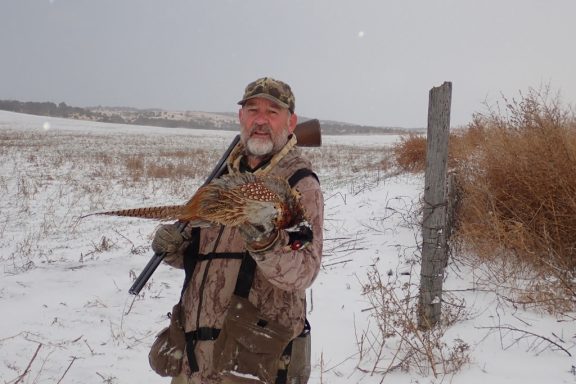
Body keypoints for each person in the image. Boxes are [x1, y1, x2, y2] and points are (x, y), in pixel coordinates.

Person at [151, 77, 324, 384]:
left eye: (272, 112)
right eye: (252, 110)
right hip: (195, 358)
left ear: (291, 121)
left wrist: (267, 243)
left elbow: (304, 271)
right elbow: (205, 253)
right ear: (240, 117)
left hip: (249, 365)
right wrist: (177, 247)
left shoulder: (299, 185)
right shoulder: (225, 176)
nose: (260, 120)